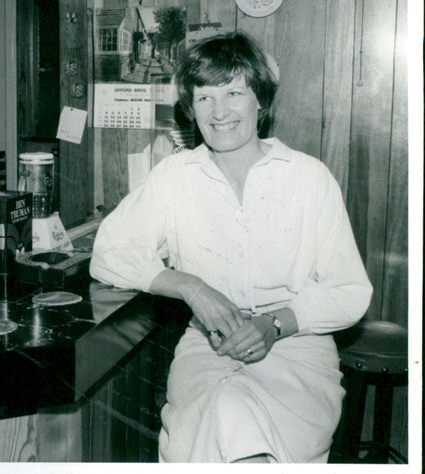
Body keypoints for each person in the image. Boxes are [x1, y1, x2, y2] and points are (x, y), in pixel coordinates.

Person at [90, 32, 372, 463]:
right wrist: (191, 287)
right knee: (221, 412)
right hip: (208, 349)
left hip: (297, 351)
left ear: (260, 99)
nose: (219, 112)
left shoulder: (308, 178)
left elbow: (350, 291)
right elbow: (108, 253)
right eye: (204, 98)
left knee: (246, 430)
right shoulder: (175, 176)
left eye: (234, 93)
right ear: (191, 108)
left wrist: (275, 324)